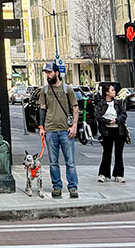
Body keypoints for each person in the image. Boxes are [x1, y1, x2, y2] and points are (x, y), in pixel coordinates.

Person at [37, 61, 79, 198]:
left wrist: (74, 126)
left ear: (56, 73)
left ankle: (73, 187)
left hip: (66, 130)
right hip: (50, 130)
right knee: (53, 162)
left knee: (70, 161)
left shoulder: (67, 89)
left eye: (49, 72)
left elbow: (75, 108)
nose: (48, 75)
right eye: (46, 73)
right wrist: (41, 127)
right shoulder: (45, 90)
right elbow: (42, 109)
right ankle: (56, 186)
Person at [91, 82, 127, 183]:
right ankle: (103, 174)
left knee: (118, 153)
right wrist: (107, 121)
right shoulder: (101, 104)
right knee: (107, 153)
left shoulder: (118, 103)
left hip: (119, 130)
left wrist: (116, 120)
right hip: (106, 131)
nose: (114, 92)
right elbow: (97, 116)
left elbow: (124, 114)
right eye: (112, 90)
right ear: (107, 92)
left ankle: (119, 174)